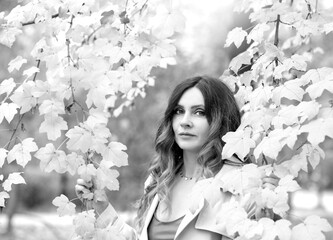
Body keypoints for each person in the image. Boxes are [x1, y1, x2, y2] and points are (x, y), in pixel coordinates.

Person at [75, 76, 278, 240]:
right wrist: (102, 207)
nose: (185, 122)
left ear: (220, 119)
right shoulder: (160, 180)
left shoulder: (242, 185)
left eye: (199, 112)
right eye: (179, 111)